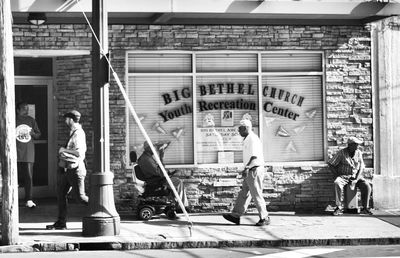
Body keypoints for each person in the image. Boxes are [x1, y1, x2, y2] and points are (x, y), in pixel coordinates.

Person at [46, 110, 89, 230]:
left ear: (70, 119)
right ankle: (61, 222)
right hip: (67, 169)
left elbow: (79, 152)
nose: (65, 121)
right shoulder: (74, 132)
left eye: (66, 119)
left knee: (80, 198)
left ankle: (100, 209)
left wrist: (63, 150)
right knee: (61, 194)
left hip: (76, 170)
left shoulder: (78, 133)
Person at [222, 119, 270, 226]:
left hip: (254, 170)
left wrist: (247, 168)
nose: (238, 130)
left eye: (240, 128)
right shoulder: (247, 139)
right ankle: (235, 215)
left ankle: (264, 217)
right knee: (244, 193)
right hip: (250, 170)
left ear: (247, 128)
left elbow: (254, 156)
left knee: (256, 194)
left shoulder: (252, 139)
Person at [328, 136, 372, 216]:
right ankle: (338, 207)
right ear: (350, 145)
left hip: (355, 176)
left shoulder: (358, 153)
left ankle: (365, 208)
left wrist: (356, 179)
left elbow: (361, 167)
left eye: (358, 144)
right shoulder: (341, 153)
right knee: (337, 183)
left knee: (366, 185)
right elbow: (331, 164)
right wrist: (337, 175)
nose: (358, 146)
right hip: (343, 176)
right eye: (356, 144)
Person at [137, 141, 188, 207]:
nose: (154, 149)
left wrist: (169, 173)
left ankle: (177, 204)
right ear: (148, 148)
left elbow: (158, 170)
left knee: (174, 181)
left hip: (156, 179)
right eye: (153, 147)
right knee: (178, 182)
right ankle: (183, 206)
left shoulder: (147, 157)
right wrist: (161, 157)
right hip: (156, 181)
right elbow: (160, 173)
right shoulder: (146, 159)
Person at [16, 102, 41, 208]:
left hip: (28, 152)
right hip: (14, 151)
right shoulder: (12, 119)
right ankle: (10, 198)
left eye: (27, 109)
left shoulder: (31, 120)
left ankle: (29, 199)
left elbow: (38, 134)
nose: (26, 111)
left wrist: (33, 134)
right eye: (23, 109)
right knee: (12, 177)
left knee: (28, 176)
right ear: (17, 110)